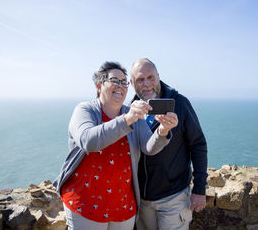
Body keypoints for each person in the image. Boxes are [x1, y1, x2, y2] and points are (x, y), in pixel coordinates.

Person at [53, 61, 178, 230]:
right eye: (115, 80)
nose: (121, 86)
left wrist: (163, 131)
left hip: (123, 206)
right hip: (85, 204)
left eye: (124, 82)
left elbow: (148, 148)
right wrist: (127, 119)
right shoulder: (85, 110)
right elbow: (88, 141)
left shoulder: (131, 113)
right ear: (99, 86)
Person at [130, 58, 208, 230]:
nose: (147, 84)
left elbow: (198, 145)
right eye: (140, 80)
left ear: (158, 77)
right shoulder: (132, 110)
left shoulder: (179, 103)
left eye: (151, 77)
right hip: (142, 201)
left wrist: (199, 189)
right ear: (132, 82)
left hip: (174, 197)